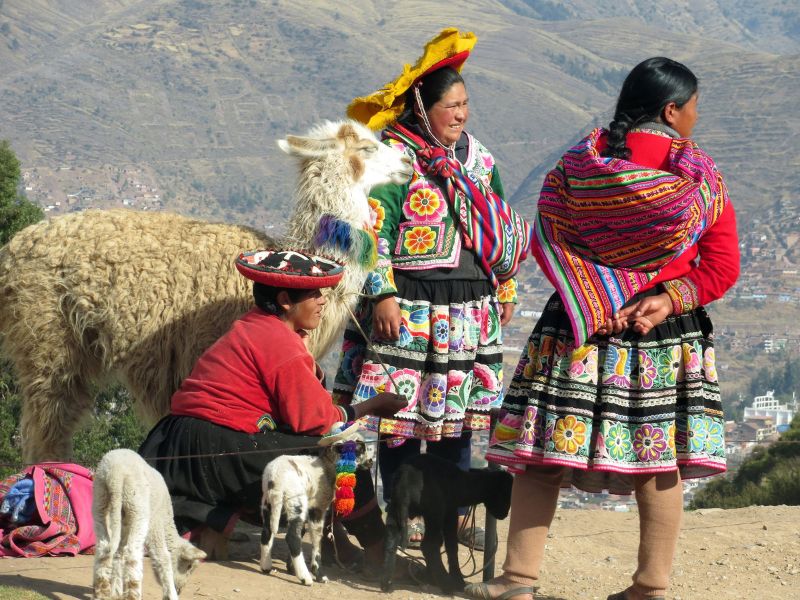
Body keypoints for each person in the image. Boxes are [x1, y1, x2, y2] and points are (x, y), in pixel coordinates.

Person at [467, 57, 740, 600]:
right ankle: (651, 586)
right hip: (662, 334)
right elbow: (722, 264)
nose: (696, 117)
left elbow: (549, 239)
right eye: (693, 107)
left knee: (545, 451)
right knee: (658, 460)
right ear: (671, 109)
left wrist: (592, 296)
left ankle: (518, 581)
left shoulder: (575, 167)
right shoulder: (700, 178)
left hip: (575, 328)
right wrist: (665, 298)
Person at [335, 28, 532, 549]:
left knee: (458, 417)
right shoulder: (395, 158)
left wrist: (505, 287)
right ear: (424, 107)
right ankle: (400, 517)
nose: (461, 114)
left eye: (466, 104)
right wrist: (381, 293)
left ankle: (455, 517)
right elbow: (369, 230)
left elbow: (498, 225)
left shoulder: (480, 159)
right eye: (451, 105)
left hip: (471, 309)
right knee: (399, 414)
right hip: (411, 305)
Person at [138, 249, 407, 570]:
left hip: (178, 443)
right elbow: (314, 423)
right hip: (215, 449)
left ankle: (336, 543)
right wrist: (372, 406)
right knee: (346, 455)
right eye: (313, 294)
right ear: (284, 300)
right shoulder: (280, 342)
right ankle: (379, 554)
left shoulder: (254, 325)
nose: (322, 301)